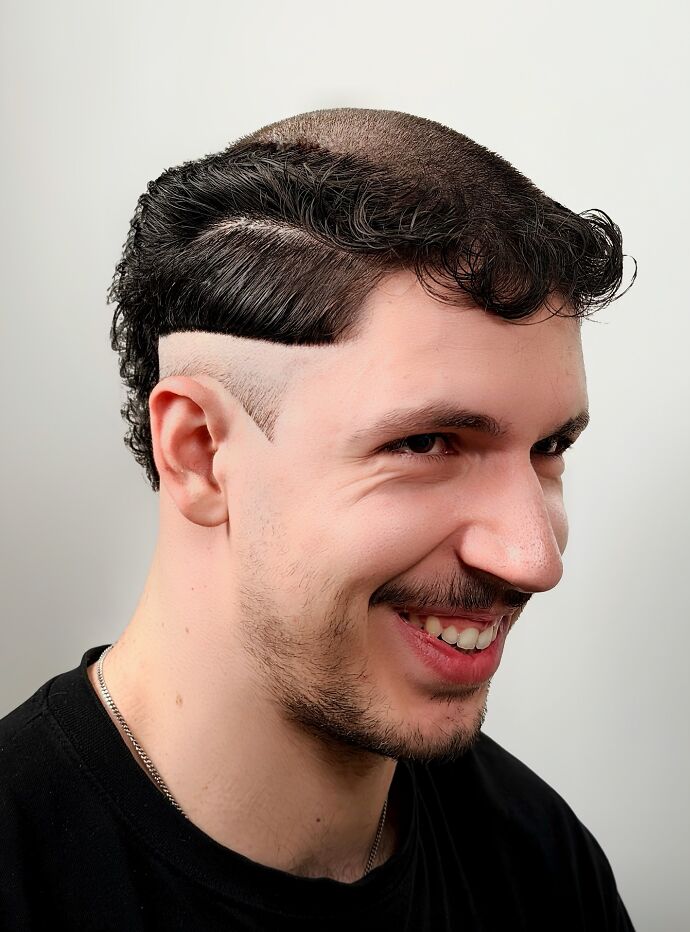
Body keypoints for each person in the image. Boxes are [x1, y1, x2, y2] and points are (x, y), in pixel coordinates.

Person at [0, 108, 637, 930]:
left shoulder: (538, 863)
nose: (532, 558)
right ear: (198, 451)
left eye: (549, 447)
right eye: (428, 442)